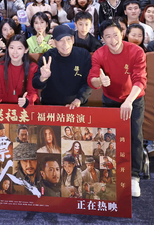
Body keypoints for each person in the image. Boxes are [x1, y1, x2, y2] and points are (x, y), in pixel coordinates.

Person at [88, 20, 147, 198]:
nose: (113, 40)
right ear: (102, 38)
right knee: (109, 139)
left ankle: (134, 176)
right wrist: (100, 81)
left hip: (133, 99)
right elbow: (92, 79)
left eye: (115, 35)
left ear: (122, 33)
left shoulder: (136, 51)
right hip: (111, 99)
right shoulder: (99, 54)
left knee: (134, 135)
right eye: (108, 37)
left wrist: (128, 101)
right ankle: (111, 173)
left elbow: (140, 79)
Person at [33, 24, 92, 108]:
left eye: (68, 39)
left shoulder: (83, 55)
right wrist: (43, 78)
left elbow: (88, 81)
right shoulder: (47, 56)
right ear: (54, 42)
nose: (65, 44)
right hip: (51, 106)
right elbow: (35, 84)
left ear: (73, 39)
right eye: (60, 40)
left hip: (76, 105)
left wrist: (79, 99)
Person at [0, 34, 38, 107]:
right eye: (11, 48)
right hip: (3, 108)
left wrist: (26, 100)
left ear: (26, 50)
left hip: (25, 108)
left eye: (19, 48)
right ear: (7, 49)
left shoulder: (32, 68)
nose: (15, 52)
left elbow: (33, 93)